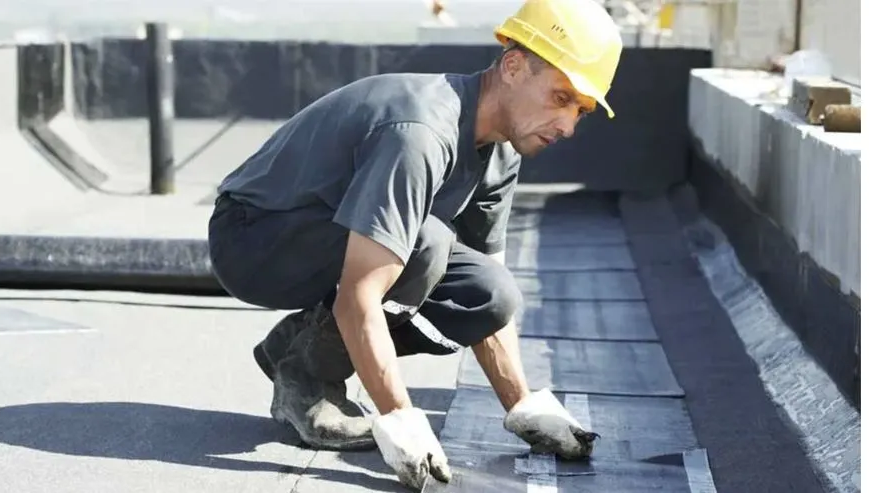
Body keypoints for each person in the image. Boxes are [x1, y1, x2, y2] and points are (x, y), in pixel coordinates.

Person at [207, 0, 623, 489]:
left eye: (580, 110)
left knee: (490, 293)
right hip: (255, 237)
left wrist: (523, 405)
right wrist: (399, 416)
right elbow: (364, 291)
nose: (569, 126)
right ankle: (307, 382)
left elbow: (483, 287)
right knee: (424, 243)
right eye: (560, 97)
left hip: (330, 242)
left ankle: (296, 346)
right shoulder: (422, 133)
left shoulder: (501, 152)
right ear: (513, 67)